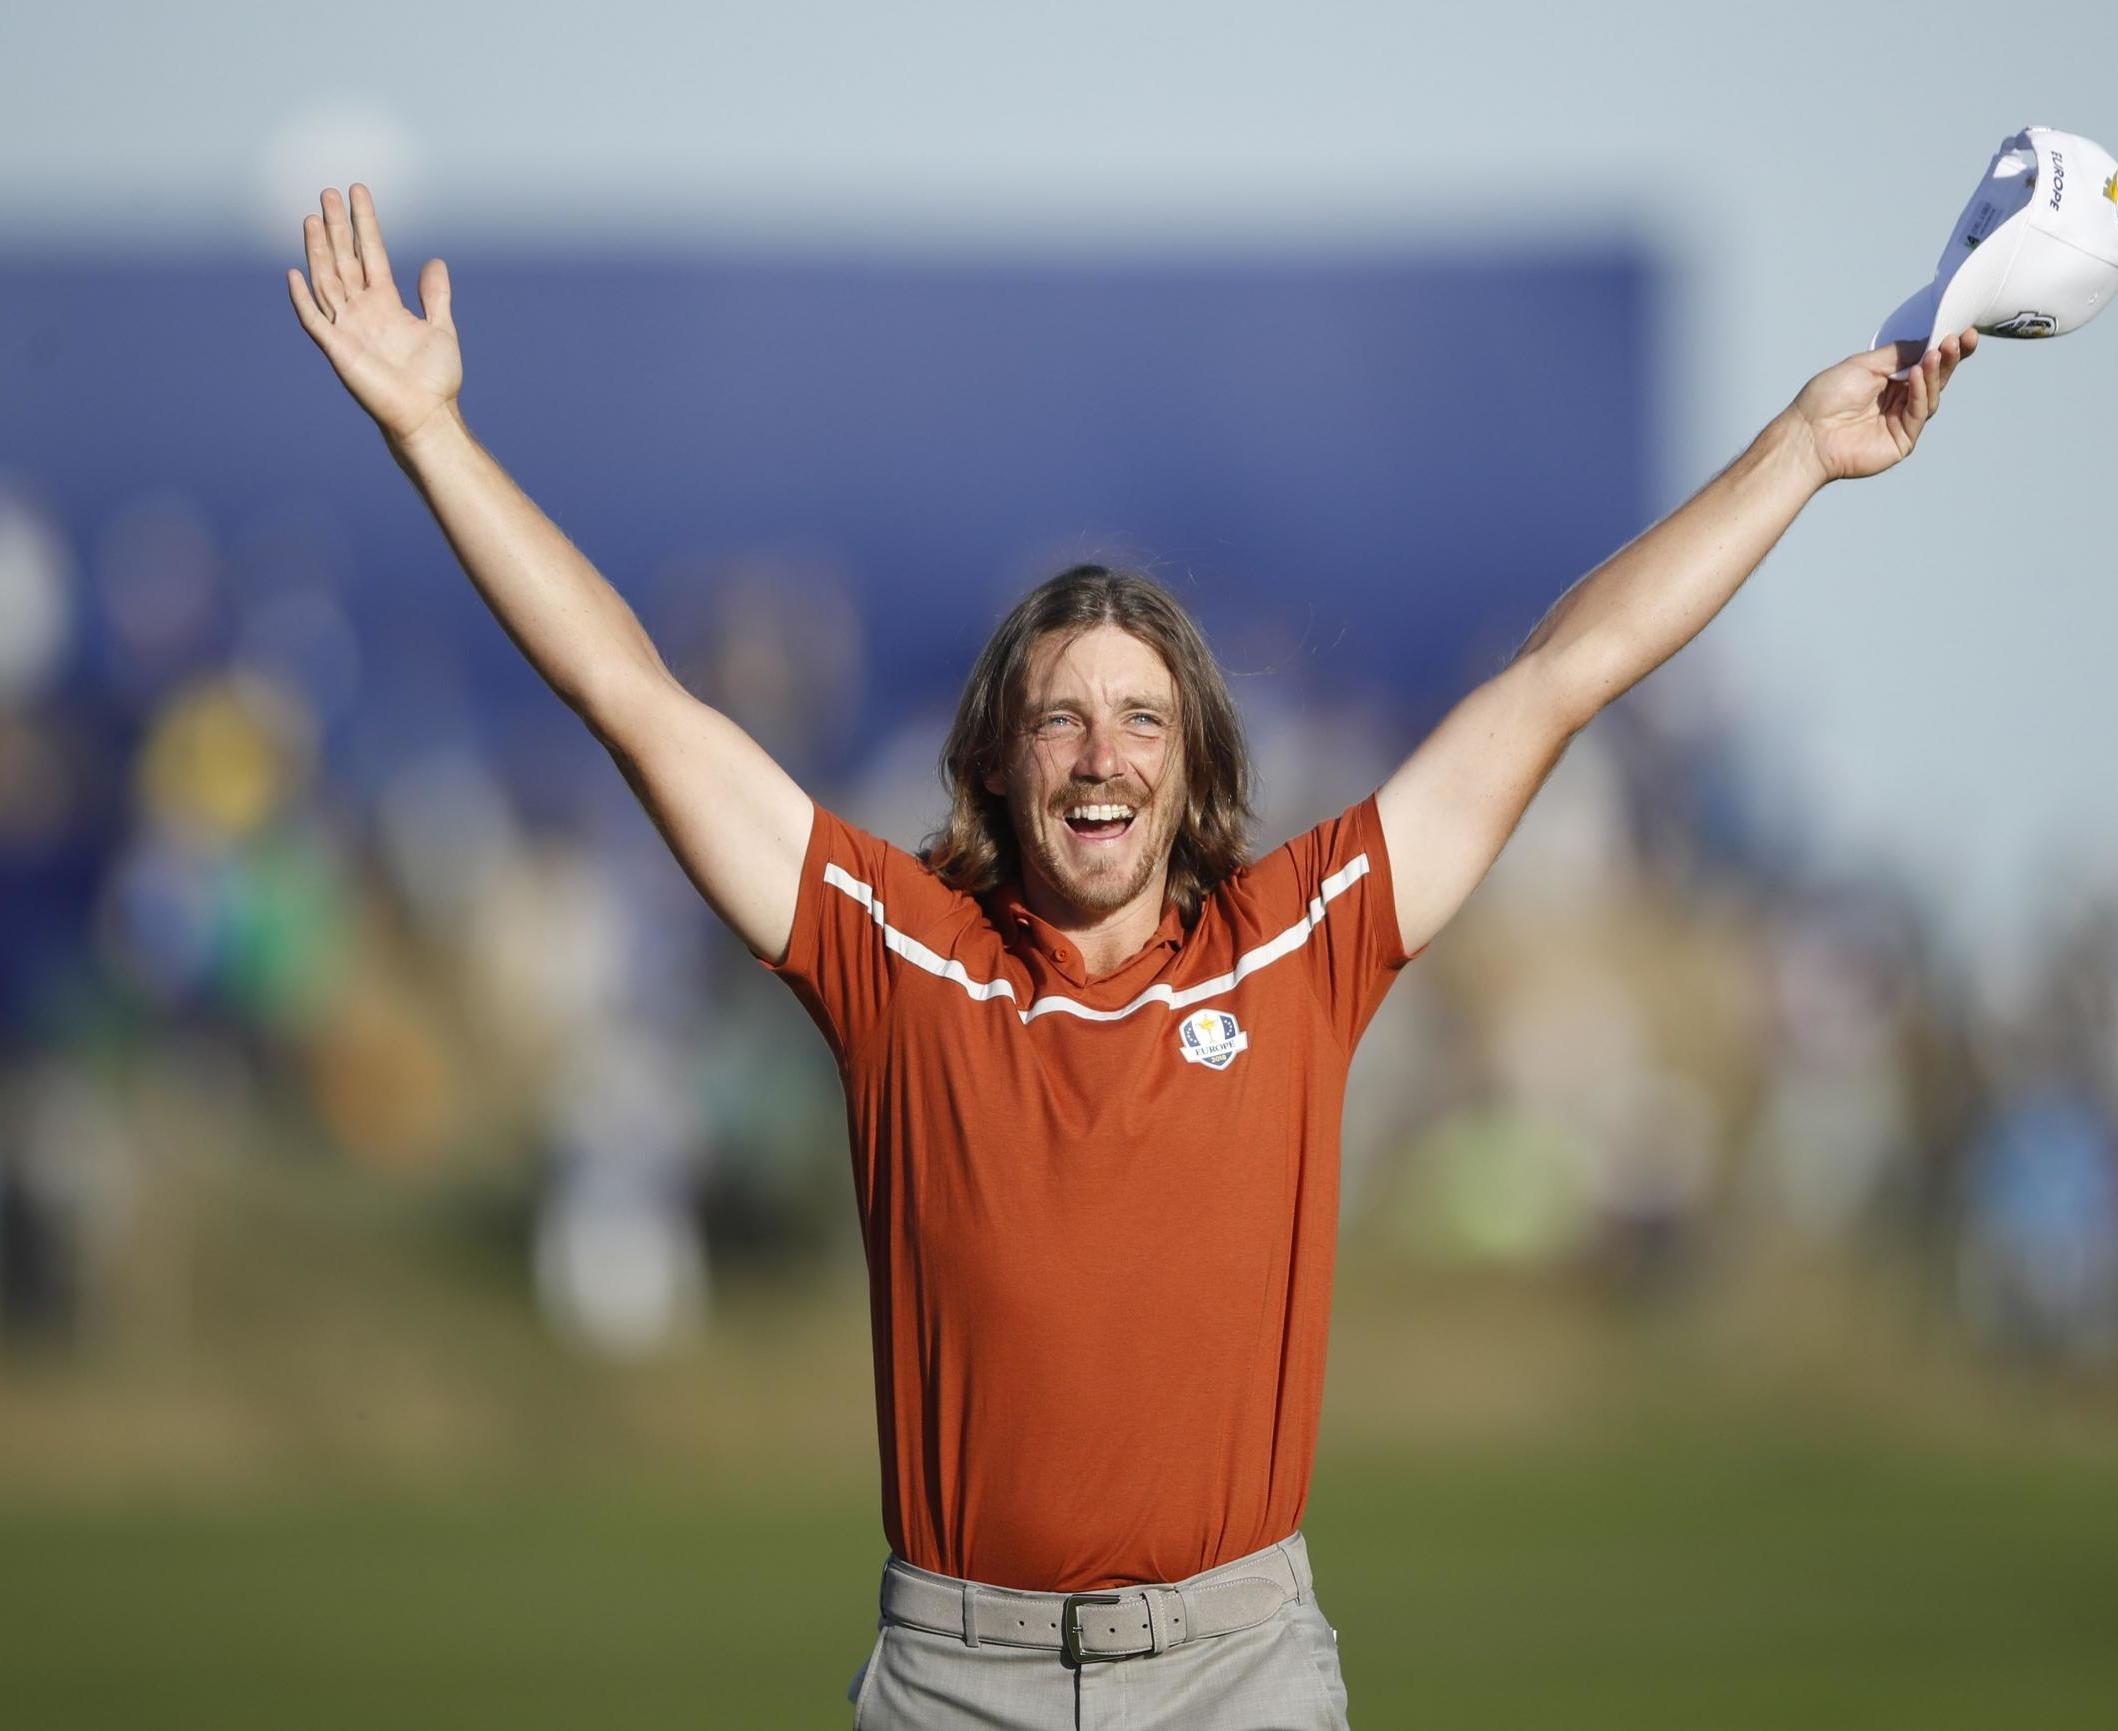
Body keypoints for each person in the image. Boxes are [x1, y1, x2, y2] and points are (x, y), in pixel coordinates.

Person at [287, 182, 1975, 1730]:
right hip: (955, 1677)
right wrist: (433, 434)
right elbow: (630, 695)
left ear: (1196, 763)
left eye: (1144, 719)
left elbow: (1559, 679)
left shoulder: (1301, 938)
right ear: (996, 762)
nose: (1103, 757)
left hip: (1239, 1673)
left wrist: (1798, 450)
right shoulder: (895, 953)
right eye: (1062, 720)